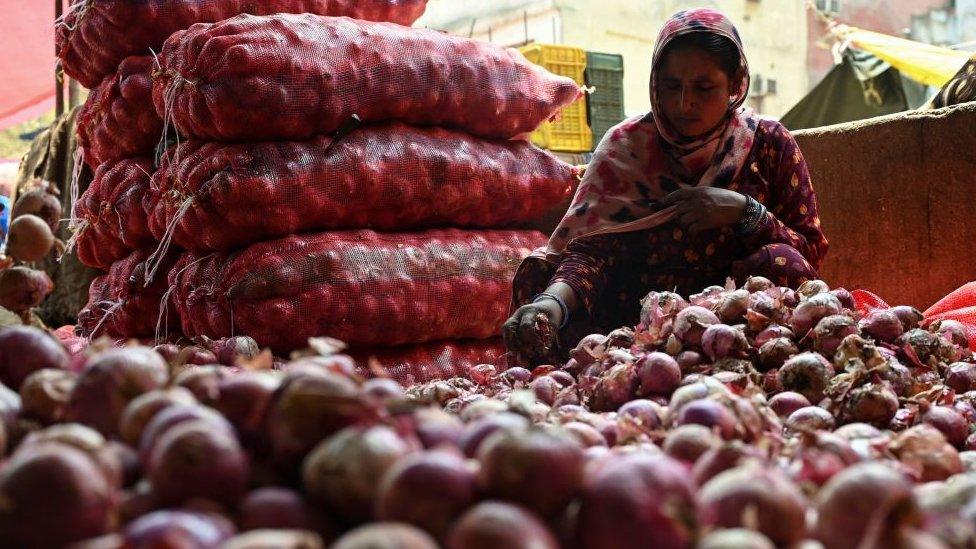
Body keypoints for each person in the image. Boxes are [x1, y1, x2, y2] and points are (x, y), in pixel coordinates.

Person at [503, 8, 829, 363]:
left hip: (739, 326)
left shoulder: (768, 144)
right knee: (541, 283)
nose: (683, 103)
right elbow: (590, 253)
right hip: (636, 322)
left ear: (735, 84)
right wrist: (552, 304)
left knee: (783, 260)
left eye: (703, 88)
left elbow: (807, 255)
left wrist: (743, 211)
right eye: (671, 86)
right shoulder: (626, 147)